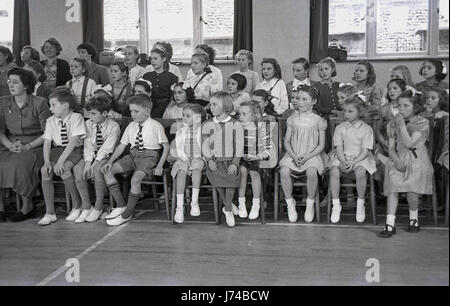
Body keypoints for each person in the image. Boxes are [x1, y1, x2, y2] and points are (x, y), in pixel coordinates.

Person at [101, 94, 170, 226]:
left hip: (149, 157)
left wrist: (160, 165)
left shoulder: (156, 126)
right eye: (131, 111)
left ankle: (127, 213)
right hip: (133, 156)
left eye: (136, 111)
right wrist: (110, 161)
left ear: (147, 111)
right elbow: (121, 146)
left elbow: (166, 147)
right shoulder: (131, 126)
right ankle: (121, 206)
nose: (133, 114)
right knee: (107, 171)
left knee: (135, 179)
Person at [377, 90, 433, 238]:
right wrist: (395, 160)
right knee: (393, 187)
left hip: (417, 159)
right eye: (399, 105)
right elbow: (390, 146)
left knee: (411, 191)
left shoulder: (422, 122)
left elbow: (409, 143)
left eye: (406, 105)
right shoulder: (393, 122)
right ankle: (390, 224)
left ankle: (413, 219)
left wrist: (401, 125)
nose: (401, 109)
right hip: (399, 157)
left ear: (415, 108)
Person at [0, 67, 51, 222]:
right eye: (9, 81)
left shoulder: (40, 103)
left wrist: (28, 146)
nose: (11, 85)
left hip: (35, 144)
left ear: (26, 85)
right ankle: (1, 207)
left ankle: (27, 206)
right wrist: (9, 145)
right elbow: (0, 130)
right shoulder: (3, 102)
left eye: (15, 82)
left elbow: (48, 133)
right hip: (10, 143)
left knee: (20, 164)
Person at [279, 86, 327, 223]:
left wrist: (307, 157)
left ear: (313, 101)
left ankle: (310, 203)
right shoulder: (292, 119)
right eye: (298, 98)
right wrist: (293, 156)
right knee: (284, 171)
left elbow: (321, 145)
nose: (300, 102)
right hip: (293, 154)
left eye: (304, 99)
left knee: (312, 172)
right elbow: (287, 142)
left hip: (312, 155)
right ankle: (290, 203)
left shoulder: (319, 120)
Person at [38, 88, 86, 226]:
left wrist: (60, 162)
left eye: (53, 105)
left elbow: (73, 142)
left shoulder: (77, 117)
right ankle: (50, 212)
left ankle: (77, 205)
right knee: (44, 171)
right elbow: (47, 142)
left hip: (73, 150)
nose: (50, 108)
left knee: (63, 168)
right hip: (57, 150)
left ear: (65, 105)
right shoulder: (50, 121)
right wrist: (47, 162)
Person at [327, 96, 377, 224]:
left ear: (359, 111)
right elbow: (338, 148)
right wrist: (343, 161)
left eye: (350, 111)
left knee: (360, 171)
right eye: (344, 111)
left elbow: (365, 151)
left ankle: (360, 203)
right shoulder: (340, 128)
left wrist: (353, 162)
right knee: (334, 170)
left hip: (360, 157)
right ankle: (336, 204)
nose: (346, 114)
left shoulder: (366, 129)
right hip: (342, 156)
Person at [72, 95, 121, 223]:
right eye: (89, 113)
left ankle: (98, 207)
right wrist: (88, 163)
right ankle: (87, 206)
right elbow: (87, 145)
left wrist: (95, 164)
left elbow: (107, 149)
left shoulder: (113, 126)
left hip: (107, 156)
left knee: (99, 169)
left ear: (105, 113)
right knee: (78, 169)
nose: (90, 116)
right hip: (91, 155)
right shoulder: (88, 124)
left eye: (93, 113)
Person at [202, 92, 243, 227]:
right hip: (215, 160)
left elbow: (239, 145)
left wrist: (235, 163)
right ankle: (228, 205)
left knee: (231, 178)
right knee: (215, 176)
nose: (211, 107)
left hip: (230, 160)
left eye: (215, 104)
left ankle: (228, 209)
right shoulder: (207, 124)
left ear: (225, 106)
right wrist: (209, 160)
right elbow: (205, 145)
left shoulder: (235, 124)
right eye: (211, 104)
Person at [237, 101, 273, 220]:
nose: (240, 117)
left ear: (254, 115)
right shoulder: (237, 128)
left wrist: (257, 156)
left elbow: (269, 149)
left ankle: (256, 203)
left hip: (258, 158)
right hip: (242, 158)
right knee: (242, 171)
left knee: (254, 172)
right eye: (239, 114)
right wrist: (240, 154)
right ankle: (241, 203)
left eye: (244, 114)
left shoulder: (262, 128)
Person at [172, 104, 206, 223]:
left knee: (196, 168)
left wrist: (198, 157)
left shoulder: (203, 131)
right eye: (183, 115)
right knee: (181, 171)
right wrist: (185, 159)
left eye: (187, 116)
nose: (184, 118)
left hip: (198, 157)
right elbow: (179, 148)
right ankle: (179, 206)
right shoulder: (181, 131)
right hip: (184, 158)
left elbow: (205, 148)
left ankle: (194, 201)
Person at [143, 46, 178, 118]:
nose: (153, 61)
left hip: (166, 108)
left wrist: (167, 110)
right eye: (151, 59)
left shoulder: (171, 77)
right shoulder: (146, 76)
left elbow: (174, 97)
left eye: (155, 59)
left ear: (164, 59)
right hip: (150, 108)